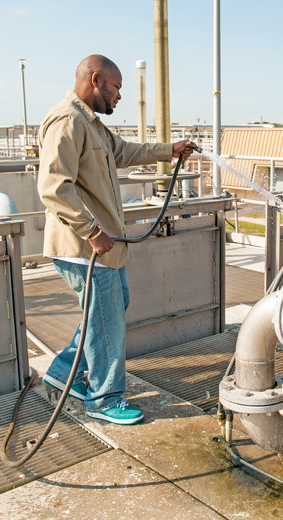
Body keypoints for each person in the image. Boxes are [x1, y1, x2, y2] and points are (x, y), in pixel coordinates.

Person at [37, 54, 196, 425]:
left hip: (100, 245)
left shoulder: (92, 125)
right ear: (96, 80)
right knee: (106, 320)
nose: (120, 95)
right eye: (116, 87)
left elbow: (124, 152)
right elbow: (53, 187)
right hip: (83, 246)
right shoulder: (67, 120)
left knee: (110, 308)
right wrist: (92, 232)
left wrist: (169, 150)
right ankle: (104, 399)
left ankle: (63, 372)